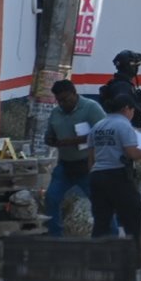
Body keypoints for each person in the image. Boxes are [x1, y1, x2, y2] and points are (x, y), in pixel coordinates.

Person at [87, 93, 141, 252]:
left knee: (101, 221)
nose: (133, 114)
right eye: (133, 110)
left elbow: (91, 159)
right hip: (117, 176)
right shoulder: (124, 125)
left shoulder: (97, 126)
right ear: (126, 108)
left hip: (97, 177)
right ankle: (132, 256)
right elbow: (132, 154)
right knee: (134, 216)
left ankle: (95, 258)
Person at [43, 79, 106, 237]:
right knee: (51, 197)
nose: (63, 104)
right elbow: (49, 134)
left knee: (100, 203)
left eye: (66, 99)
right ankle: (54, 235)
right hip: (65, 166)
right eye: (59, 101)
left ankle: (106, 236)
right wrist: (50, 139)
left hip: (88, 165)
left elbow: (104, 132)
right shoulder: (56, 113)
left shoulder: (91, 108)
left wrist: (75, 141)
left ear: (74, 94)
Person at [100, 50, 141, 128]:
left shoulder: (120, 83)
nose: (137, 69)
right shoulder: (122, 85)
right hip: (123, 128)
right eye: (136, 66)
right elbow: (122, 101)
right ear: (130, 67)